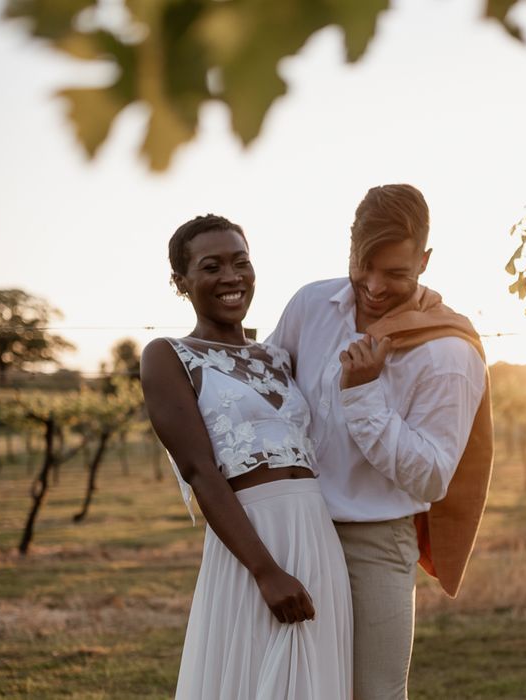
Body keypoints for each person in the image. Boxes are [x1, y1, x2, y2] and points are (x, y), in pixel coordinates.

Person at [268, 184, 494, 700]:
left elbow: (433, 477)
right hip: (296, 530)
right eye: (363, 265)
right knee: (295, 686)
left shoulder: (448, 353)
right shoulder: (311, 305)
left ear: (425, 261)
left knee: (374, 693)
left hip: (375, 542)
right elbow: (269, 395)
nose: (372, 286)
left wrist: (364, 396)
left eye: (395, 273)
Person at [141, 214, 352, 700]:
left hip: (316, 534)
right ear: (182, 282)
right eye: (211, 266)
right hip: (250, 541)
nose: (231, 277)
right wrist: (265, 570)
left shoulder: (278, 357)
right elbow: (199, 471)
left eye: (241, 262)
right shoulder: (168, 356)